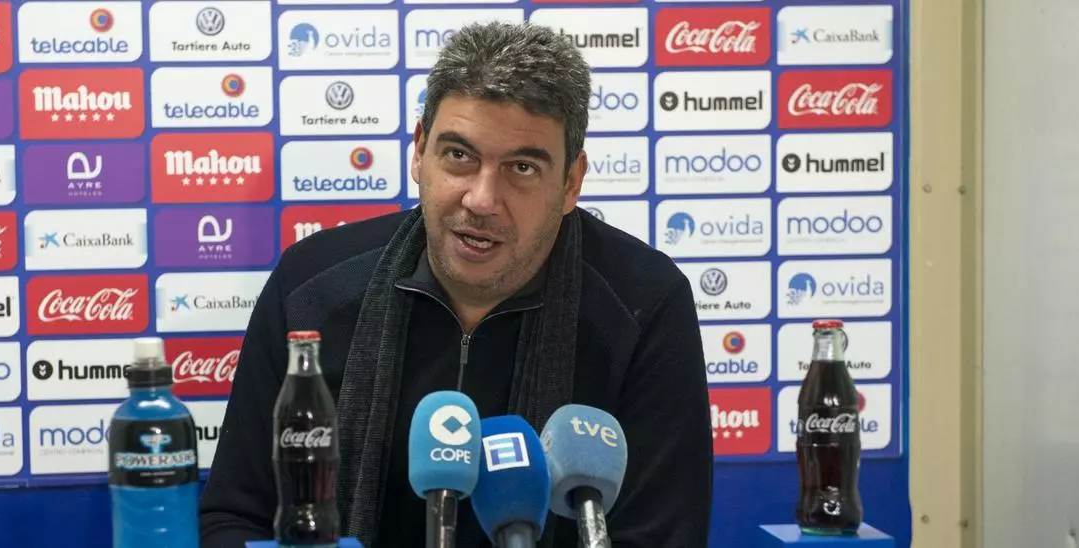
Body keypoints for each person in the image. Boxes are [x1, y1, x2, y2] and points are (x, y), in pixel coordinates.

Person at [199, 21, 714, 548]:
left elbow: (663, 537)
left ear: (571, 182)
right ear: (420, 150)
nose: (481, 200)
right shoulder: (312, 289)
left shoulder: (643, 306)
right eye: (459, 156)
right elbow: (235, 519)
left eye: (522, 167)